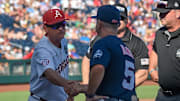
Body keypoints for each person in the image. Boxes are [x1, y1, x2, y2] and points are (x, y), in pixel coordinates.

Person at [82, 3, 149, 87]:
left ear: (126, 20)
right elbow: (87, 59)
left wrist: (124, 87)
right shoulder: (98, 39)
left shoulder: (137, 43)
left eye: (121, 18)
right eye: (115, 18)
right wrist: (86, 83)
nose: (118, 20)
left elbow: (143, 72)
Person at [86, 5, 138, 101]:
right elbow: (111, 82)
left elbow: (98, 68)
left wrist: (90, 94)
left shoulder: (103, 43)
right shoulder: (125, 49)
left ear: (99, 23)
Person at [28, 8, 79, 101]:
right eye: (55, 26)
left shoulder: (63, 41)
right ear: (45, 28)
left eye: (63, 24)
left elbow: (63, 72)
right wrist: (68, 85)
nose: (61, 28)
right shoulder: (42, 49)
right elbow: (49, 73)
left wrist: (67, 94)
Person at [149, 0, 180, 101]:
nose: (161, 16)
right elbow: (155, 50)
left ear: (178, 13)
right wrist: (152, 69)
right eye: (160, 13)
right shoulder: (160, 33)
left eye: (164, 13)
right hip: (162, 95)